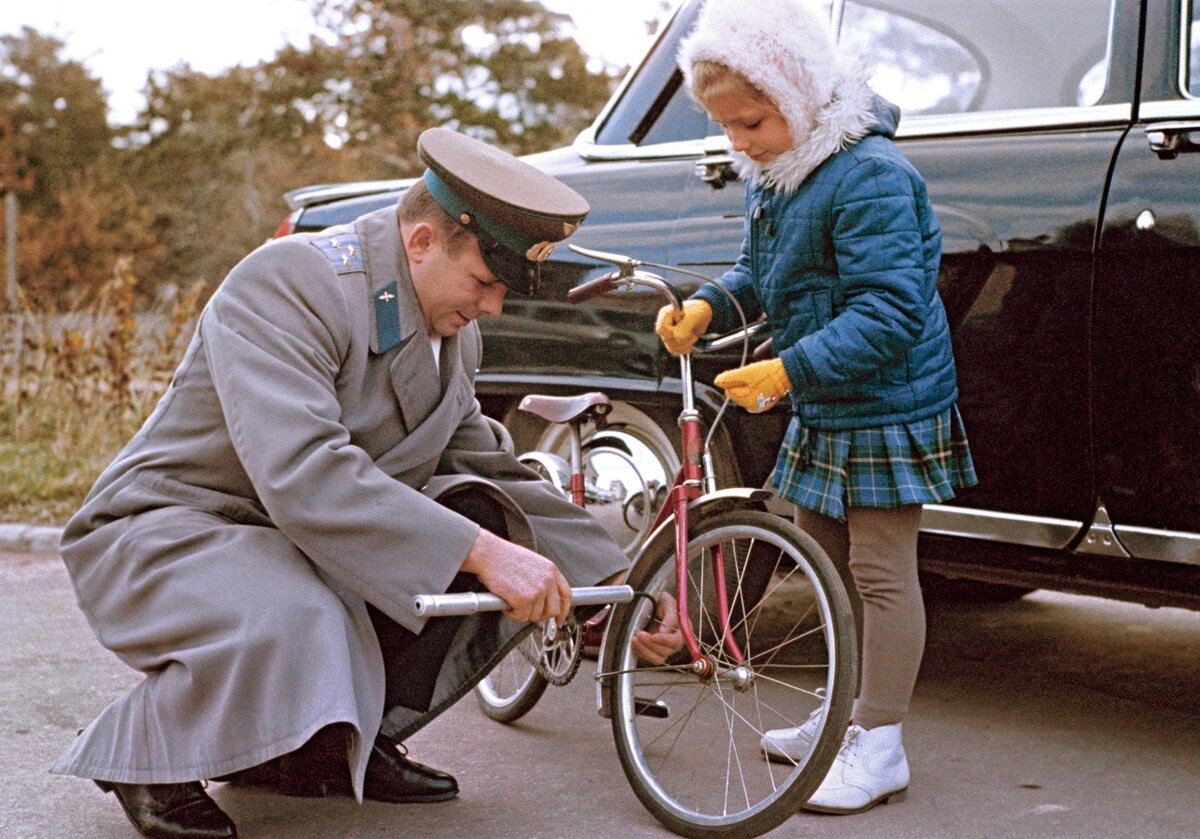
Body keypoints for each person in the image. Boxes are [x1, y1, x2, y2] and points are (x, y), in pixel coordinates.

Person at [52, 127, 656, 839]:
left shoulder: (454, 333)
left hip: (290, 541)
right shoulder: (289, 281)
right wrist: (483, 552)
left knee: (485, 516)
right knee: (312, 608)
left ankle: (315, 749)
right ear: (424, 242)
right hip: (167, 530)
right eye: (485, 282)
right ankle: (147, 756)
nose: (493, 306)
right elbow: (305, 472)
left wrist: (625, 588)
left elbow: (490, 469)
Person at [657, 0, 978, 815]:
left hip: (885, 398)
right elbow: (759, 272)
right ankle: (842, 715)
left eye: (751, 121)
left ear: (800, 96)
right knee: (823, 557)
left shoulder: (870, 174)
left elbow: (892, 310)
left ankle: (882, 740)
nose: (738, 141)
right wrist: (708, 307)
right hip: (829, 390)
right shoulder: (782, 170)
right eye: (727, 126)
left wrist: (785, 372)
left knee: (879, 571)